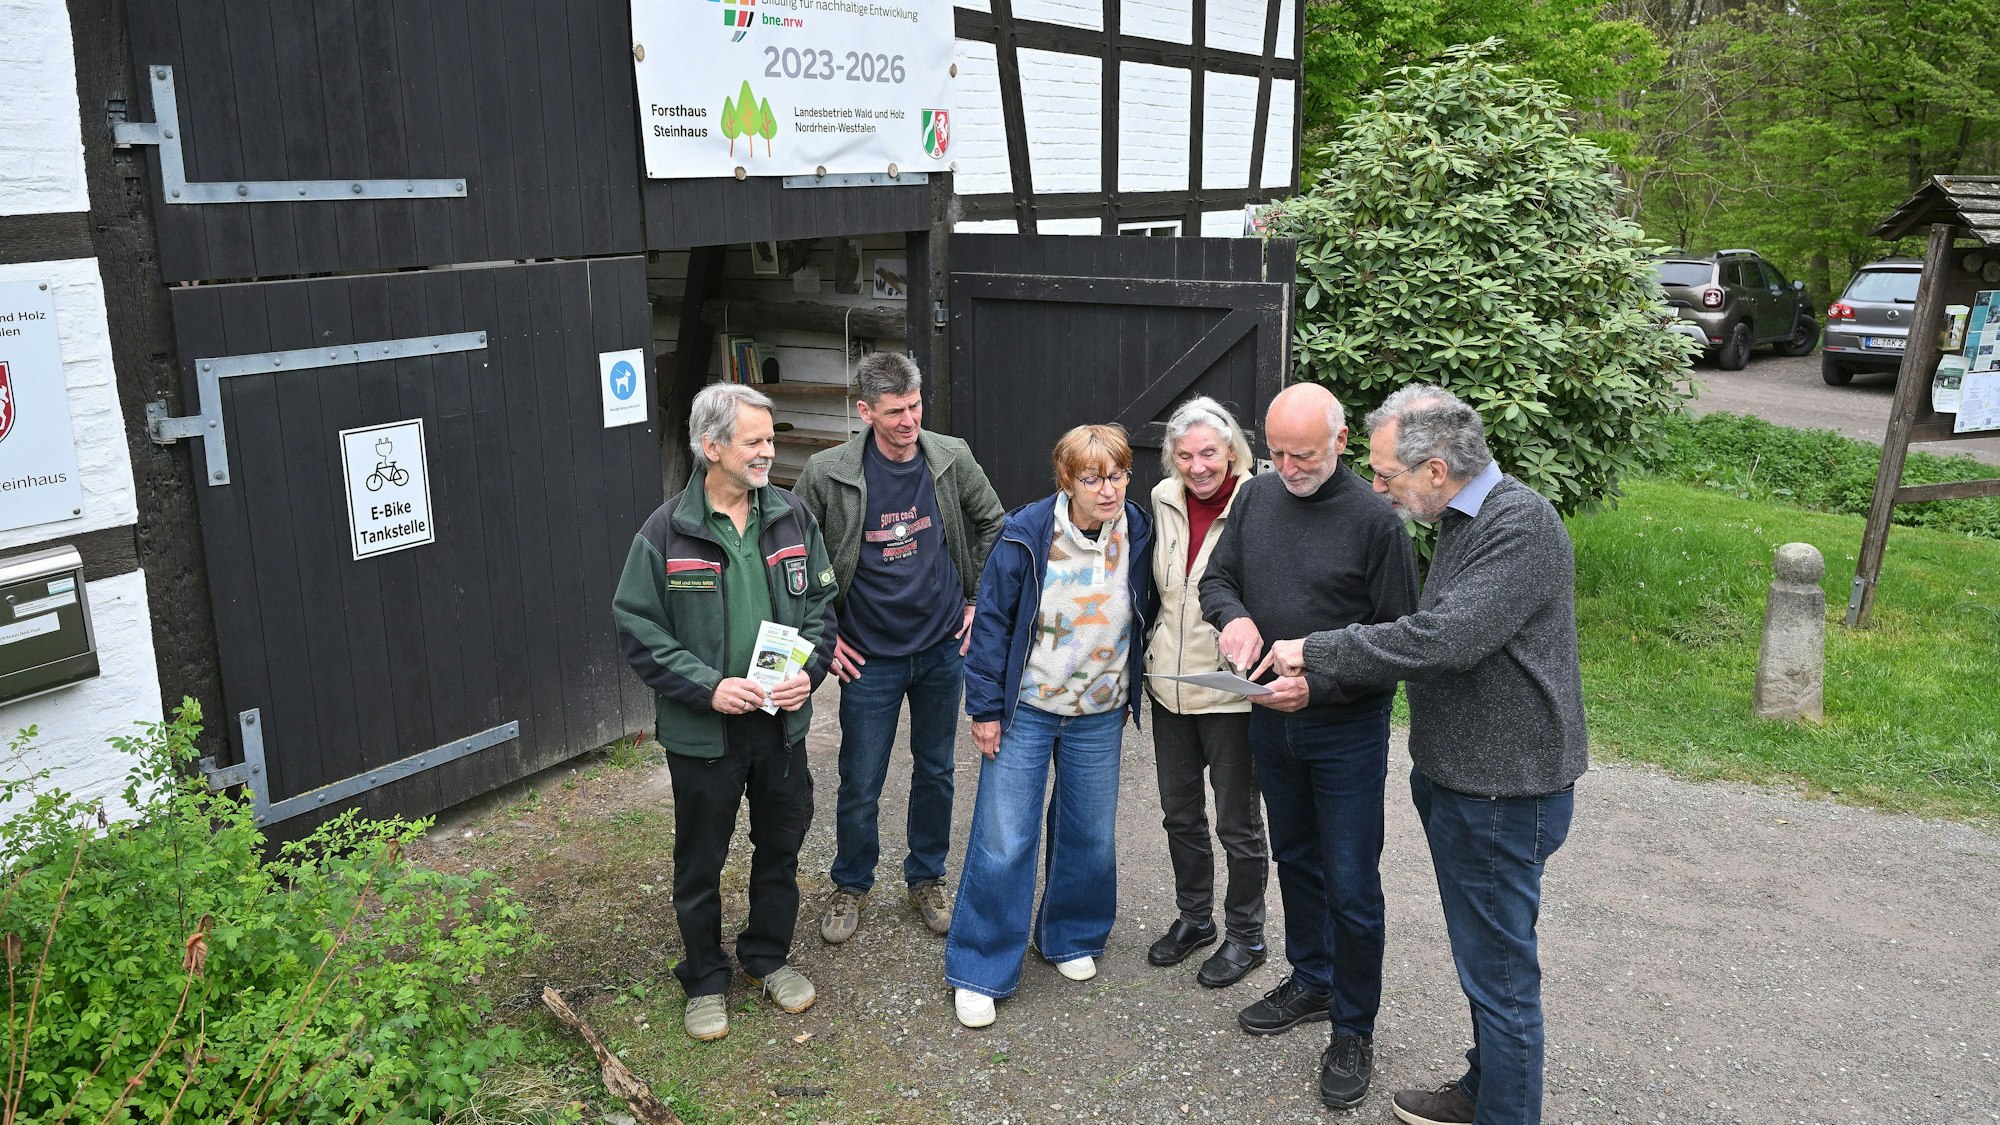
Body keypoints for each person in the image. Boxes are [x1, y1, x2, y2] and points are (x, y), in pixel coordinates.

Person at [1259, 385, 1586, 1125]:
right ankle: (1483, 1089)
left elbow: (1442, 638)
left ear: (1436, 469)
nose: (1376, 487)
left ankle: (1504, 1111)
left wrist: (1317, 649)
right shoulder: (1465, 520)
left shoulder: (1518, 523)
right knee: (1486, 963)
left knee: (1501, 978)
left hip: (1503, 791)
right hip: (1463, 780)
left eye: (1385, 474)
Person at [1198, 382, 1418, 1109]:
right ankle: (1313, 977)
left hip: (1344, 731)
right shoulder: (1259, 498)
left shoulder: (1375, 523)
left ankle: (1353, 1026)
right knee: (1294, 857)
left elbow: (1396, 647)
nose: (1287, 468)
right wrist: (1230, 619)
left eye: (1304, 456)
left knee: (1352, 879)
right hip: (1268, 715)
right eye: (1277, 453)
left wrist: (1318, 686)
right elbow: (1219, 578)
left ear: (1342, 443)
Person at [611, 383, 838, 1043]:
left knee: (781, 846)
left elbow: (822, 607)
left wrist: (807, 673)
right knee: (701, 859)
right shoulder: (665, 533)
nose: (769, 451)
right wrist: (709, 685)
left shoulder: (793, 516)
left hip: (781, 727)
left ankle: (766, 956)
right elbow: (640, 630)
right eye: (755, 441)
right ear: (712, 446)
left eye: (770, 439)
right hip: (704, 731)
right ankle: (706, 977)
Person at [945, 424, 1155, 1030]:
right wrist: (984, 709)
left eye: (1116, 475)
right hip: (1028, 708)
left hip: (1100, 710)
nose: (1108, 489)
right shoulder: (1026, 533)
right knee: (1005, 836)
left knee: (1090, 831)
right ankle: (980, 968)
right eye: (1092, 478)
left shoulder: (1137, 530)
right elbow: (989, 628)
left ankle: (1070, 935)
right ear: (1068, 480)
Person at [794, 353, 1005, 944]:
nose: (909, 420)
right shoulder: (826, 471)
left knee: (936, 770)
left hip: (941, 648)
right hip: (869, 656)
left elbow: (995, 523)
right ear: (865, 412)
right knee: (861, 776)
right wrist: (824, 637)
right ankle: (851, 884)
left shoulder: (951, 457)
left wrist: (975, 602)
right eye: (894, 412)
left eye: (914, 406)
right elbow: (791, 553)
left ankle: (927, 879)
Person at [1141, 396, 1271, 988]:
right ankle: (1194, 918)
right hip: (1168, 685)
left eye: (1210, 453)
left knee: (1237, 822)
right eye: (1186, 455)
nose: (1198, 466)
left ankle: (1247, 933)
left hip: (1231, 688)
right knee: (1178, 814)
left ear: (1233, 453)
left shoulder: (1262, 502)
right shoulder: (1163, 500)